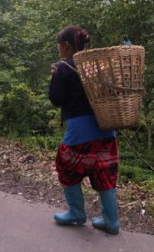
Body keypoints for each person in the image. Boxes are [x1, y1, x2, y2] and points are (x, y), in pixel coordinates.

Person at [48, 25, 120, 235]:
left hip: (80, 132)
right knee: (104, 172)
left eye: (60, 46)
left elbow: (56, 99)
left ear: (67, 46)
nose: (59, 50)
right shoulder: (96, 65)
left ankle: (77, 213)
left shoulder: (64, 67)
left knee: (66, 166)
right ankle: (111, 221)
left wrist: (55, 76)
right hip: (107, 129)